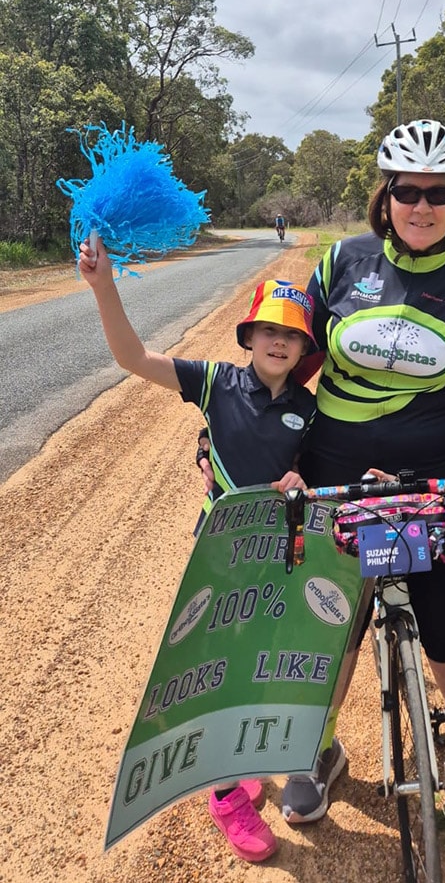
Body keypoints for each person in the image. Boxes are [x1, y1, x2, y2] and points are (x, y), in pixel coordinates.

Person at [273, 118, 445, 825]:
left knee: (444, 624)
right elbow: (292, 364)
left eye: (438, 193)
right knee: (334, 620)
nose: (422, 206)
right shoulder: (342, 262)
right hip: (335, 472)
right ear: (387, 196)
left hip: (431, 477)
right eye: (408, 191)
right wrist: (248, 430)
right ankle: (315, 749)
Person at [79, 238, 317, 863]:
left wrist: (302, 480)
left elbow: (314, 477)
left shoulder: (309, 409)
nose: (278, 342)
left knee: (259, 664)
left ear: (304, 350)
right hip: (218, 555)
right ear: (248, 336)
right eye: (268, 330)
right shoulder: (215, 383)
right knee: (214, 672)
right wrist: (105, 286)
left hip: (277, 558)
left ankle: (236, 762)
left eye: (291, 336)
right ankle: (225, 797)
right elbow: (134, 357)